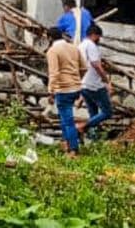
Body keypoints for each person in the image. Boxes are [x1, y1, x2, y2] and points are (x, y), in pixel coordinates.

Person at [46, 26, 84, 157]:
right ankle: (67, 145)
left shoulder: (53, 51)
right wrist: (78, 80)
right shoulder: (74, 48)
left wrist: (51, 91)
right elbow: (84, 67)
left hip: (63, 89)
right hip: (76, 87)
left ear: (49, 38)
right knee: (64, 118)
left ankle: (73, 149)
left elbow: (54, 73)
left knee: (67, 120)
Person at [77, 24, 112, 140]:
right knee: (107, 112)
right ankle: (83, 126)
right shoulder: (91, 45)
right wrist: (106, 81)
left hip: (83, 84)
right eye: (98, 37)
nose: (99, 40)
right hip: (94, 84)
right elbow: (96, 64)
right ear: (93, 35)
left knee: (93, 113)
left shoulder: (80, 46)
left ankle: (93, 138)